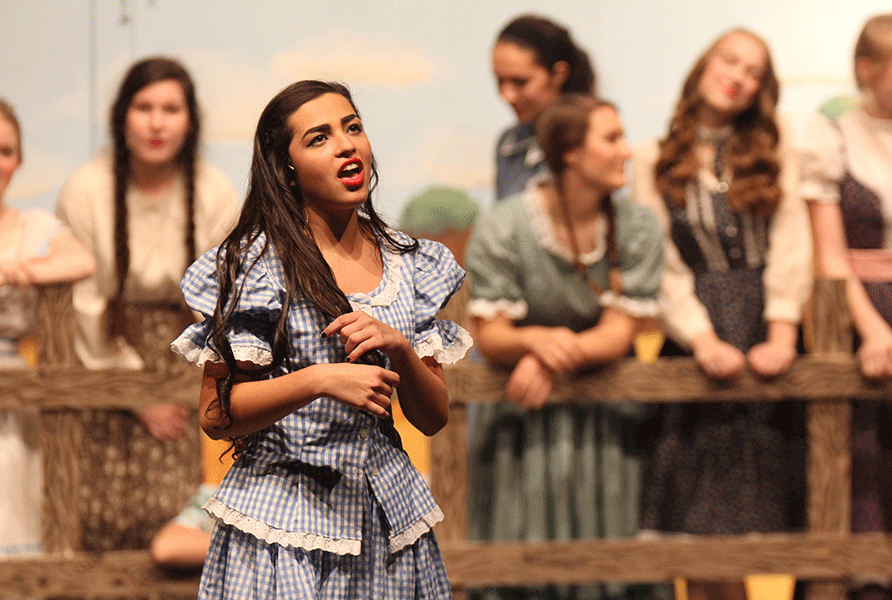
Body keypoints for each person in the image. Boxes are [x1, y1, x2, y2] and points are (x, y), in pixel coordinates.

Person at [170, 80, 471, 599]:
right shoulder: (257, 266)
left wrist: (399, 347)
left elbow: (433, 416)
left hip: (384, 522)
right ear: (285, 167)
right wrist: (319, 380)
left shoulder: (410, 263)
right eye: (319, 138)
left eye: (353, 127)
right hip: (284, 530)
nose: (346, 144)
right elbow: (216, 415)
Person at [631, 29, 812, 600]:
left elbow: (791, 241)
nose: (738, 74)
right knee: (697, 528)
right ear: (704, 65)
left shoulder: (776, 147)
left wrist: (782, 331)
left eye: (753, 70)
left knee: (777, 509)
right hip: (696, 338)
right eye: (729, 60)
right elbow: (660, 261)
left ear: (762, 89)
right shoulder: (653, 158)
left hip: (768, 328)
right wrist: (701, 338)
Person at [466, 94, 666, 600]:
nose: (626, 150)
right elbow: (490, 333)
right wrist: (535, 341)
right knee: (522, 551)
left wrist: (548, 358)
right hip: (521, 419)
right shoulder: (506, 224)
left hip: (604, 417)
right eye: (612, 138)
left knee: (611, 554)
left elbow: (618, 334)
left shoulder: (636, 227)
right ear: (571, 153)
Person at [55, 57, 240, 550]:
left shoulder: (214, 191)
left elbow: (226, 305)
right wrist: (136, 394)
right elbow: (83, 307)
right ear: (122, 116)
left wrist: (181, 387)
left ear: (190, 120)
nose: (157, 123)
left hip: (186, 363)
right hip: (103, 356)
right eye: (144, 107)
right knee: (99, 518)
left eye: (171, 108)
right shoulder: (86, 189)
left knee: (173, 520)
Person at [799, 13, 892, 600]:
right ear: (867, 69)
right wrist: (874, 330)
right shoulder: (832, 135)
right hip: (862, 315)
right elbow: (831, 257)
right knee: (863, 466)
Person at [0, 98, 95, 558]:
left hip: (13, 385)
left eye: (5, 150)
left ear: (17, 160)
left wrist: (24, 268)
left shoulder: (32, 226)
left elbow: (81, 260)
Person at [491, 14, 596, 201]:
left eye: (520, 82)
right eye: (500, 80)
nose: (507, 95)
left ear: (558, 74)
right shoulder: (508, 143)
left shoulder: (591, 139)